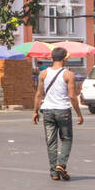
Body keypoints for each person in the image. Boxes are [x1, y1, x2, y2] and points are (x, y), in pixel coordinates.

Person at [33, 46, 83, 180]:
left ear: (51, 58)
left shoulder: (43, 74)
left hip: (47, 111)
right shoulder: (68, 74)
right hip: (63, 111)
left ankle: (54, 173)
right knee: (66, 139)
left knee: (51, 141)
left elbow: (38, 94)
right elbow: (72, 96)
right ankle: (61, 164)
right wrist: (79, 114)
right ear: (65, 58)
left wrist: (35, 112)